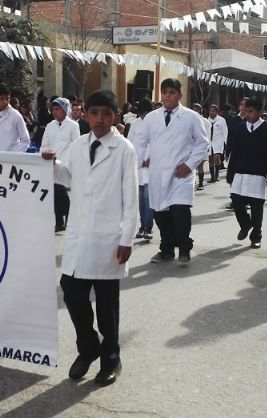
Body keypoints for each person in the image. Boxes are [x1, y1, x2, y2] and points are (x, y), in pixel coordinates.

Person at [42, 89, 138, 387]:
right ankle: (89, 347)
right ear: (84, 114)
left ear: (115, 117)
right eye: (94, 113)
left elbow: (131, 198)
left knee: (107, 305)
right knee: (71, 291)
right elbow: (68, 176)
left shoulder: (124, 149)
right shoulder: (79, 144)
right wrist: (51, 164)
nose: (99, 119)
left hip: (109, 237)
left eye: (106, 114)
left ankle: (111, 357)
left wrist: (127, 239)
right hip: (80, 233)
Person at [132, 79, 209, 265]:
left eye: (172, 92)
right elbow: (140, 142)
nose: (168, 95)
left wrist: (189, 165)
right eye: (165, 91)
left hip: (180, 174)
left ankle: (184, 248)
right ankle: (166, 250)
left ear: (180, 95)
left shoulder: (191, 117)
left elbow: (203, 143)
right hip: (158, 174)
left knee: (180, 212)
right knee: (161, 215)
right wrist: (139, 161)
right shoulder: (151, 118)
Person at [225, 97, 267, 249]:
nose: (247, 114)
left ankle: (256, 236)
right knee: (236, 201)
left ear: (259, 112)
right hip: (240, 172)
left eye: (251, 111)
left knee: (257, 207)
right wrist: (230, 174)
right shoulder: (240, 129)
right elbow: (235, 152)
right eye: (246, 111)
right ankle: (245, 224)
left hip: (258, 174)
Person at [41, 97, 80, 232]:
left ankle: (69, 219)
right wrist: (47, 153)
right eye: (53, 109)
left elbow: (76, 145)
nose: (55, 112)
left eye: (57, 109)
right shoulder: (50, 126)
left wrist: (66, 161)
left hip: (66, 164)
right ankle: (59, 221)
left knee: (62, 192)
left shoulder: (73, 126)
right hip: (51, 164)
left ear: (64, 110)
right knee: (53, 192)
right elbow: (44, 144)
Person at [127, 98, 154, 241]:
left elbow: (159, 144)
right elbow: (130, 144)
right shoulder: (135, 124)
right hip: (137, 166)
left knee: (148, 198)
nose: (144, 117)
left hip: (151, 167)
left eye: (146, 114)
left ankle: (148, 228)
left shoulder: (156, 123)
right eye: (142, 114)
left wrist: (151, 158)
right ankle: (142, 226)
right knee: (140, 199)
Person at [0, 83, 31, 152]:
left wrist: (15, 154)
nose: (5, 102)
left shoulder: (16, 115)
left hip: (9, 159)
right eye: (1, 99)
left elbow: (25, 140)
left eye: (7, 99)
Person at [192, 103, 211, 191]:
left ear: (201, 111)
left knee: (200, 165)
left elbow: (207, 135)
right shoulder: (190, 120)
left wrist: (206, 147)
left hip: (201, 147)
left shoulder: (205, 122)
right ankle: (193, 181)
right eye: (194, 109)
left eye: (197, 110)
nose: (195, 111)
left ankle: (200, 183)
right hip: (191, 147)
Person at [207, 104, 228, 184]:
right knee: (210, 160)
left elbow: (225, 133)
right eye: (210, 111)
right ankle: (212, 177)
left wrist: (226, 145)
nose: (211, 112)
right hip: (209, 143)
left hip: (218, 142)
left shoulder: (221, 120)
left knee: (216, 158)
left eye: (213, 111)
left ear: (217, 111)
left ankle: (217, 175)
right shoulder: (207, 121)